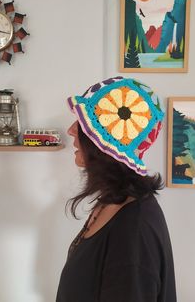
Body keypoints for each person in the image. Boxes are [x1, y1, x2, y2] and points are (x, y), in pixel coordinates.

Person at [56, 76, 176, 302]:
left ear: (106, 143)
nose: (72, 130)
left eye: (82, 123)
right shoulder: (113, 202)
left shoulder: (133, 232)